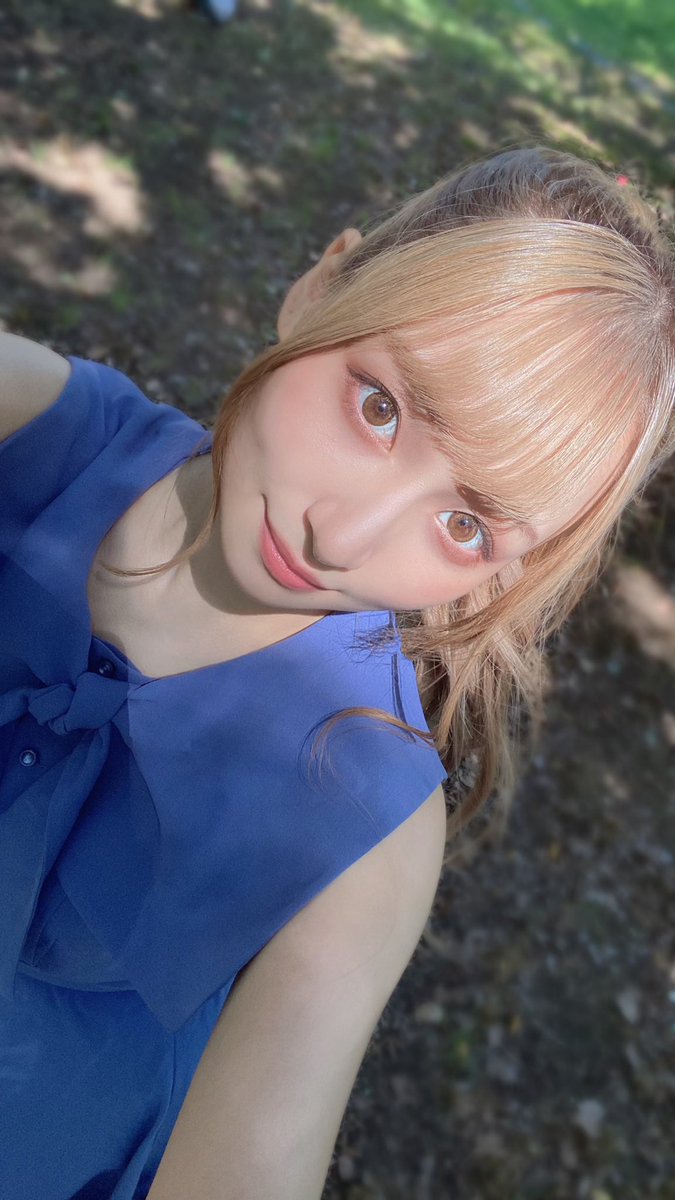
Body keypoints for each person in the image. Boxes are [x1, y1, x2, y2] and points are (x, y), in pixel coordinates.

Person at [0, 144, 673, 1200]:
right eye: (380, 408)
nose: (341, 538)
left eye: (464, 525)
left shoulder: (367, 830)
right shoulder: (37, 433)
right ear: (323, 283)